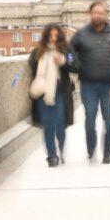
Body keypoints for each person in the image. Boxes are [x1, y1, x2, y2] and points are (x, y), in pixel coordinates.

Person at [69, 1, 110, 163]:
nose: (98, 15)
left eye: (101, 13)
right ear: (89, 14)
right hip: (88, 84)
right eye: (95, 12)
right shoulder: (81, 34)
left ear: (106, 15)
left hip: (108, 84)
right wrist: (77, 67)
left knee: (109, 120)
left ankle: (108, 151)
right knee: (90, 117)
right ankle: (91, 147)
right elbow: (69, 52)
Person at [28, 24, 76, 167]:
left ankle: (61, 148)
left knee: (60, 124)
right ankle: (52, 156)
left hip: (61, 90)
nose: (53, 38)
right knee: (48, 124)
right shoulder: (38, 51)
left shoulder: (66, 50)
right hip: (43, 91)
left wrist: (63, 62)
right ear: (46, 36)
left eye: (56, 35)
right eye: (50, 35)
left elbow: (75, 66)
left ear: (60, 36)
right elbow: (32, 68)